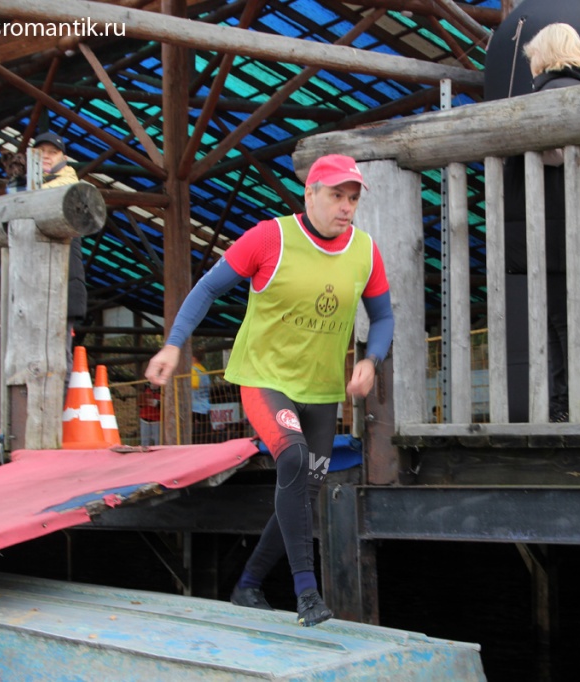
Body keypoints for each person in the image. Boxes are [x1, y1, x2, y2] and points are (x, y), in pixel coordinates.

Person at [145, 154, 394, 627]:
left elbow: (382, 316)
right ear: (310, 194)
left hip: (321, 390)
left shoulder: (365, 251)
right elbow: (206, 289)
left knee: (306, 490)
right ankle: (307, 594)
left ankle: (248, 584)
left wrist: (370, 359)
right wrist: (174, 345)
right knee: (294, 458)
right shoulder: (269, 237)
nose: (346, 207)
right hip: (264, 378)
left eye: (353, 198)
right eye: (337, 196)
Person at [503, 23, 580, 422]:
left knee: (562, 321)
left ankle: (571, 407)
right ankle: (566, 405)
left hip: (554, 222)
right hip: (568, 221)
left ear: (544, 56)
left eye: (533, 57)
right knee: (562, 319)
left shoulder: (555, 91)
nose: (530, 65)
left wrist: (515, 145)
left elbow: (559, 150)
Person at [32, 131, 87, 374]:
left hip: (61, 284)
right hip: (33, 285)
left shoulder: (71, 188)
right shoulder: (25, 186)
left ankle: (61, 398)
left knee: (58, 357)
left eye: (52, 152)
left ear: (63, 158)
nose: (46, 156)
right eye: (40, 152)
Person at [190, 346, 212, 443]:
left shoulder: (193, 370)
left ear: (193, 358)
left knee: (193, 434)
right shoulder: (203, 370)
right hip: (205, 406)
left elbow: (194, 385)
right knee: (206, 432)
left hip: (195, 407)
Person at [138, 382, 161, 447]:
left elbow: (166, 405)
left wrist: (157, 403)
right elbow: (140, 404)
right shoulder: (145, 390)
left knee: (158, 441)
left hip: (157, 420)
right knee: (144, 441)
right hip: (144, 419)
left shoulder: (162, 392)